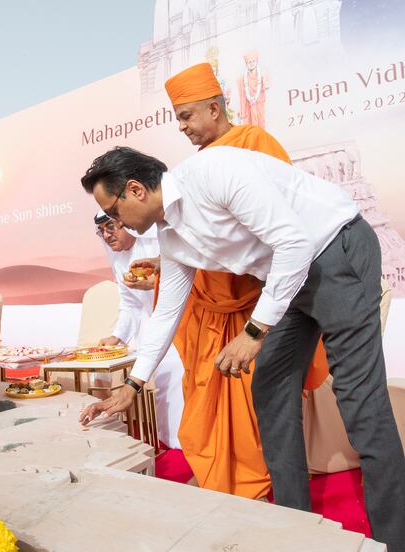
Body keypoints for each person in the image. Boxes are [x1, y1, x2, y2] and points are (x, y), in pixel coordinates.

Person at [78, 145, 405, 550]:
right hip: (287, 281)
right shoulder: (172, 236)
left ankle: (394, 540)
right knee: (268, 388)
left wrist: (252, 333)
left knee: (361, 405)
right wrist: (132, 384)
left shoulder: (215, 172)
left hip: (335, 252)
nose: (114, 223)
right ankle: (296, 527)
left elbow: (294, 243)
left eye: (112, 210)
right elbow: (167, 313)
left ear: (135, 190)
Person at [122, 62, 328, 499]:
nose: (181, 127)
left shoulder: (253, 145)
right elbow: (206, 241)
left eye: (186, 115)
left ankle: (258, 485)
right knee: (203, 394)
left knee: (258, 401)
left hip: (254, 305)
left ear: (215, 109)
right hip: (207, 307)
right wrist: (169, 262)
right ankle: (219, 477)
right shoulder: (195, 169)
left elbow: (273, 235)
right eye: (177, 117)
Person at [95, 210, 185, 449]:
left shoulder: (158, 244)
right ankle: (159, 438)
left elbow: (184, 283)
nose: (106, 235)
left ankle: (180, 444)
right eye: (101, 231)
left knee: (172, 367)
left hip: (182, 324)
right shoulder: (118, 260)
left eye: (110, 227)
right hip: (151, 328)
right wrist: (118, 336)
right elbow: (130, 305)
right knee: (104, 368)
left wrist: (154, 285)